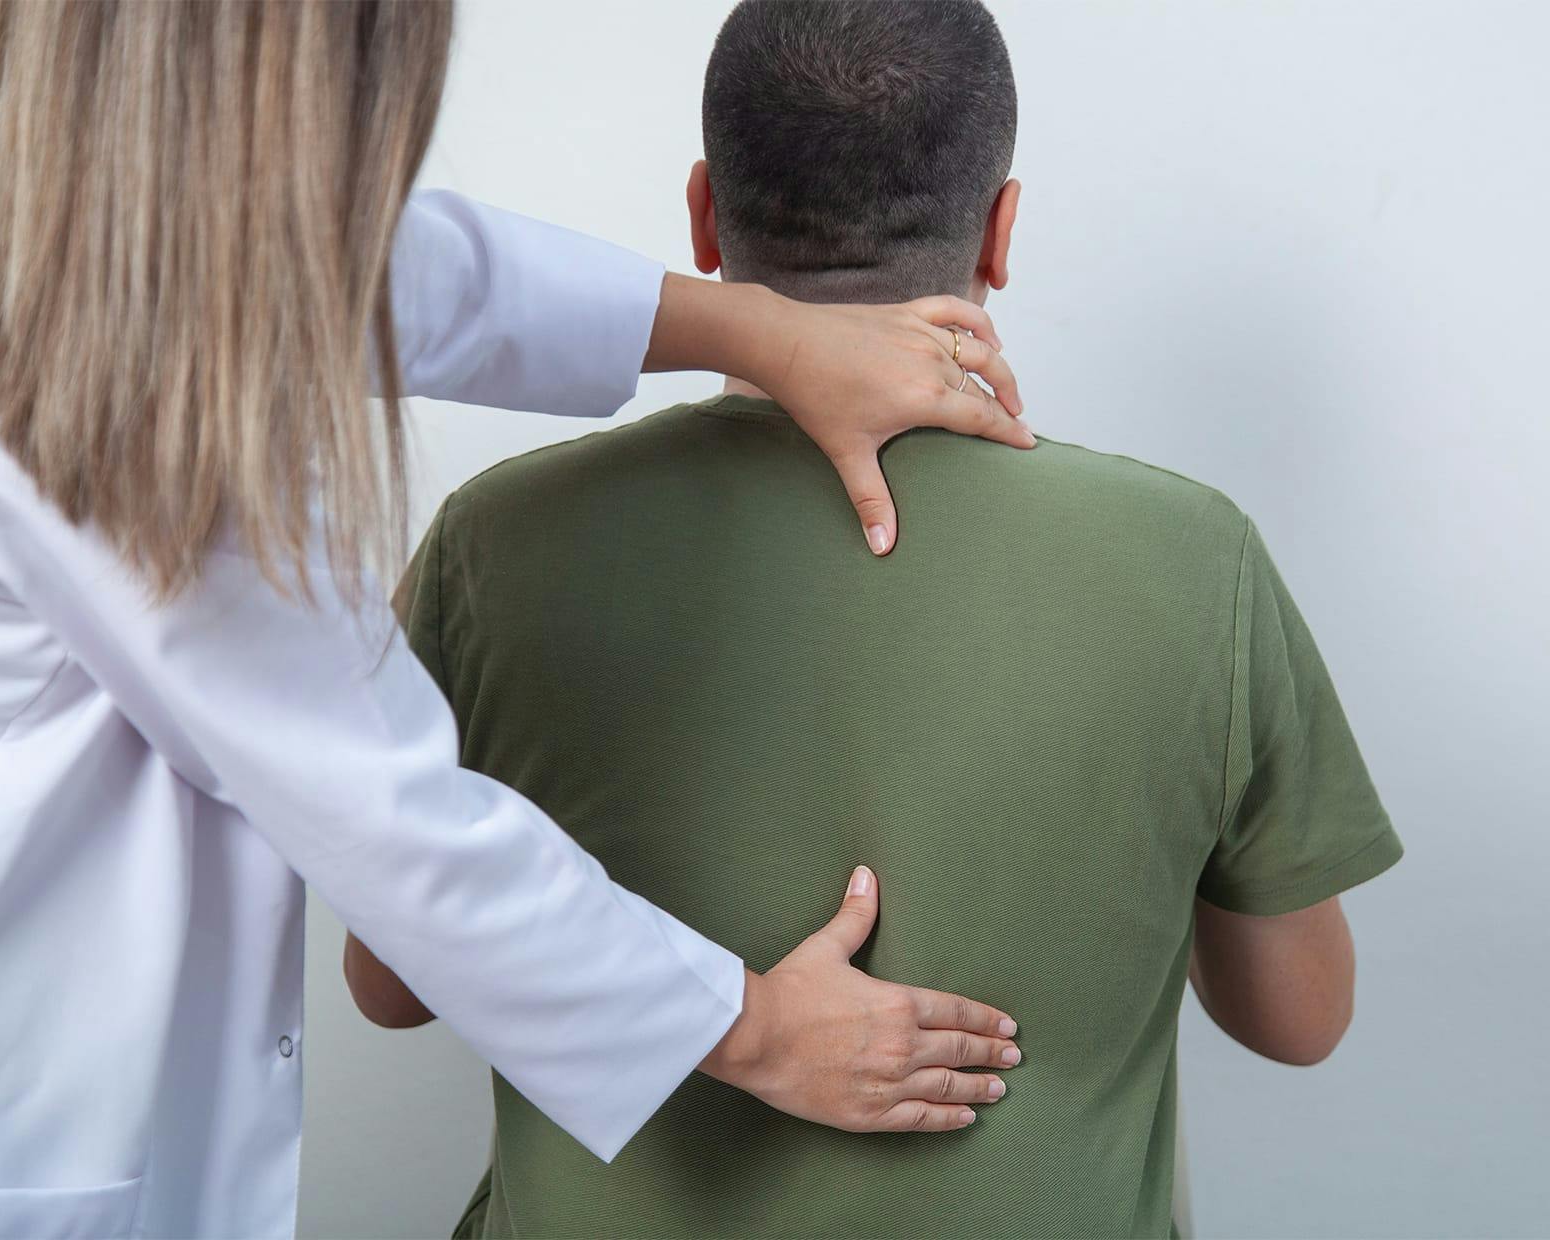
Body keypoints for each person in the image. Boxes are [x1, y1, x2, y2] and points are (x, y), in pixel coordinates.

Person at [0, 4, 1035, 1238]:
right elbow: (385, 823)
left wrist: (768, 331)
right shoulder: (97, 408)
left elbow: (387, 267)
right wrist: (756, 1028)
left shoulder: (70, 240)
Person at [344, 3, 1404, 1236]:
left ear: (703, 215)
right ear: (1001, 229)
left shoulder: (496, 538)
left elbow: (388, 985)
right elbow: (1298, 1017)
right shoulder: (1196, 559)